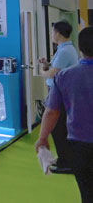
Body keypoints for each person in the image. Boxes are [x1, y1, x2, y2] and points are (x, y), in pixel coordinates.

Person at [35, 26, 93, 203]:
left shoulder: (65, 76)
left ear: (80, 48)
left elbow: (51, 112)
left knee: (87, 191)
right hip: (80, 143)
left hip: (80, 144)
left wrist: (42, 138)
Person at [38, 20, 79, 173]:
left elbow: (53, 73)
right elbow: (56, 68)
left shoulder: (65, 51)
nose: (52, 34)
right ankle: (65, 159)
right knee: (60, 127)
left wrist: (42, 72)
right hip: (62, 92)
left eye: (53, 31)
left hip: (60, 93)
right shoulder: (65, 49)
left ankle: (66, 162)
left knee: (58, 128)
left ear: (58, 33)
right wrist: (45, 65)